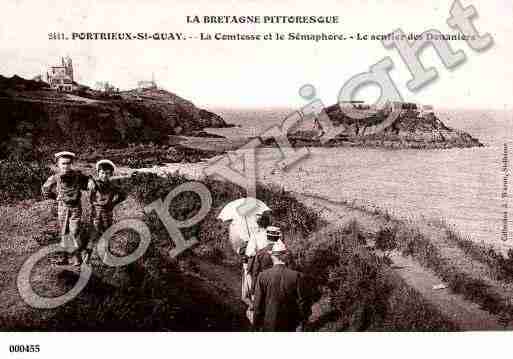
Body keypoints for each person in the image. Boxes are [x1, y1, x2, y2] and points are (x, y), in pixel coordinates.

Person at [41, 151, 90, 266]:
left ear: (71, 164)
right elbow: (45, 189)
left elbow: (87, 182)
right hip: (63, 208)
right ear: (58, 165)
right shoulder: (56, 177)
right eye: (63, 163)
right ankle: (66, 257)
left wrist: (91, 181)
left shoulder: (77, 175)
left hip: (76, 207)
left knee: (75, 231)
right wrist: (55, 197)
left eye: (68, 163)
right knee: (64, 232)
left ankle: (77, 257)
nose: (66, 166)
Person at [253, 239, 312, 331]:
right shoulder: (296, 276)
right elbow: (303, 302)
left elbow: (257, 305)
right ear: (285, 257)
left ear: (272, 256)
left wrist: (256, 325)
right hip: (290, 323)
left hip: (268, 323)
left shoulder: (262, 276)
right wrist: (302, 320)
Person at [84, 159, 127, 263]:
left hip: (107, 213)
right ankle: (87, 256)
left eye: (107, 173)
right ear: (98, 172)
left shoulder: (113, 186)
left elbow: (123, 195)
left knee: (107, 233)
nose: (104, 175)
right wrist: (90, 182)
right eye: (102, 173)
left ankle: (106, 255)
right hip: (96, 212)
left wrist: (113, 203)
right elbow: (89, 193)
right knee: (93, 234)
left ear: (111, 174)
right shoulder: (94, 183)